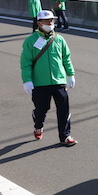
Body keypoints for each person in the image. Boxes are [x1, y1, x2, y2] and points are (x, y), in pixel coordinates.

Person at [20, 10, 77, 146]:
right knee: (42, 109)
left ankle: (65, 136)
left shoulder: (59, 39)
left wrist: (70, 74)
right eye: (47, 21)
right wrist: (27, 80)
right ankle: (38, 124)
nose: (50, 24)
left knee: (64, 110)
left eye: (52, 21)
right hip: (40, 83)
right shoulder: (30, 41)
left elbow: (66, 58)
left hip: (59, 81)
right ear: (39, 23)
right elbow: (25, 63)